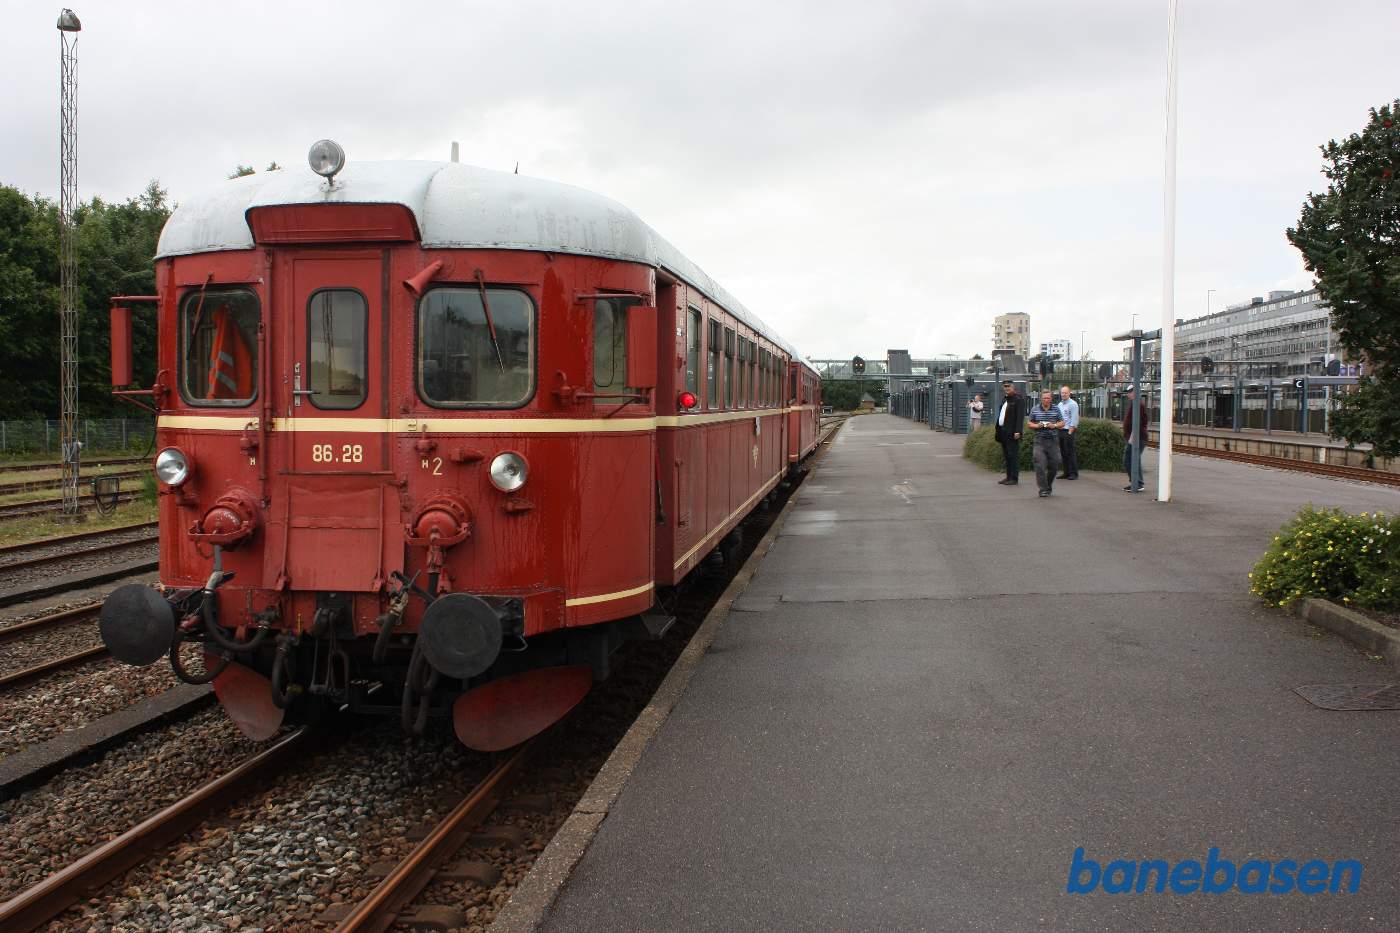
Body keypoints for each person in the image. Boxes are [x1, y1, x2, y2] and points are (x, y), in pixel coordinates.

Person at [1028, 389, 1065, 497]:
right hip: (1039, 440)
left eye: (1048, 398)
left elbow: (1062, 422)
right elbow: (1029, 423)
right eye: (1044, 398)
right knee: (1040, 464)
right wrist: (1037, 426)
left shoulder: (1056, 409)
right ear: (1041, 398)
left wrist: (1054, 425)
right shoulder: (1035, 409)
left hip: (1053, 440)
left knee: (1054, 465)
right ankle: (1043, 489)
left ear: (1051, 399)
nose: (1046, 400)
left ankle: (1048, 485)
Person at [993, 380, 1026, 485]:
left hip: (1012, 432)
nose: (1007, 388)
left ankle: (1014, 478)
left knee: (1013, 455)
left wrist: (1018, 431)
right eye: (1005, 386)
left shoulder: (1018, 399)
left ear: (1013, 387)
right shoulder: (1005, 399)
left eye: (1008, 386)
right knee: (1007, 455)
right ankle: (1008, 476)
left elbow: (1020, 417)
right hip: (1004, 431)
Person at [1121, 387, 1150, 492]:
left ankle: (1137, 483)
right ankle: (1136, 482)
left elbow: (1138, 422)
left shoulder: (1138, 404)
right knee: (1132, 459)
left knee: (1130, 459)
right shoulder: (1134, 403)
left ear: (1134, 392)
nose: (1127, 394)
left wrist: (1132, 437)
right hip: (1134, 437)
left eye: (1129, 392)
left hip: (1136, 437)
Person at [1057, 385, 1080, 480]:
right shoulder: (1060, 404)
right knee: (1063, 452)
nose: (1064, 394)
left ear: (1069, 393)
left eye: (1065, 393)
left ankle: (1073, 473)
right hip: (1060, 430)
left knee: (1070, 452)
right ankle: (1066, 472)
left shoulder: (1073, 404)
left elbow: (1074, 418)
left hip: (1068, 431)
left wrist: (1070, 432)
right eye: (1062, 393)